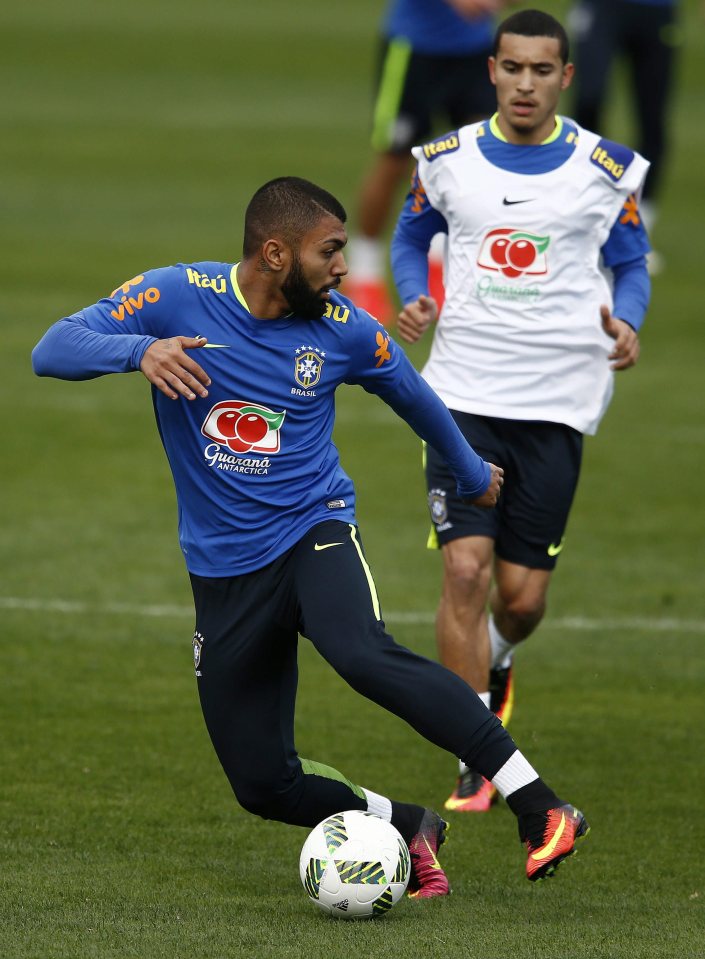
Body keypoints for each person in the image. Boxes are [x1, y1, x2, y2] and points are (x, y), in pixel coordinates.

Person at [32, 176, 589, 891]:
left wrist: (470, 470)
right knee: (262, 784)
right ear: (273, 253)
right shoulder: (175, 294)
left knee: (359, 651)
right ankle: (406, 822)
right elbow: (51, 347)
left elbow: (413, 396)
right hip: (223, 572)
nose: (342, 267)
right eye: (328, 251)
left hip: (311, 531)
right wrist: (136, 351)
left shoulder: (343, 328)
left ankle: (538, 805)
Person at [391, 10, 650, 813]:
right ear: (491, 71)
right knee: (463, 569)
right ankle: (476, 749)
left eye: (543, 70)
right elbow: (410, 236)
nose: (526, 84)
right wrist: (414, 294)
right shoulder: (445, 161)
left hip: (557, 401)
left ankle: (497, 658)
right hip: (463, 394)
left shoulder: (604, 169)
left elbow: (629, 260)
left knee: (522, 597)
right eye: (512, 69)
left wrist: (627, 318)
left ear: (564, 77)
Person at [345, 0, 508, 324]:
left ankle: (441, 263)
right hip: (414, 47)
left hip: (476, 53)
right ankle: (364, 275)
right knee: (394, 160)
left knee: (476, 159)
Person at [569, 0, 680, 268]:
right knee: (588, 100)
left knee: (652, 117)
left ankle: (636, 232)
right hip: (602, 7)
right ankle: (584, 217)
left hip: (656, 8)